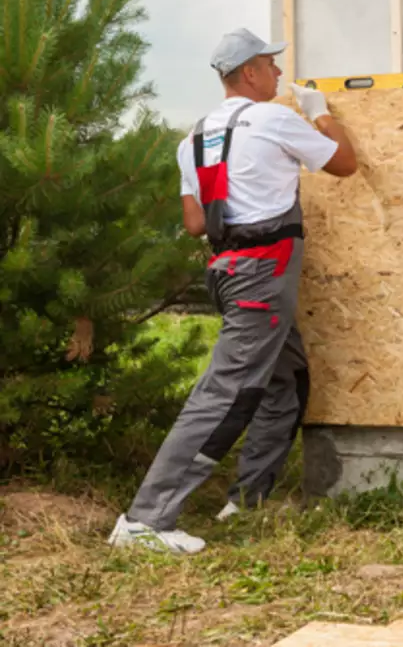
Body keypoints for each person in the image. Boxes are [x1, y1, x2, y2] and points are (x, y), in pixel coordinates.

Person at [108, 28, 357, 553]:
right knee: (225, 394)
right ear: (249, 72)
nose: (279, 74)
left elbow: (196, 223)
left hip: (228, 273)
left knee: (285, 382)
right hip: (262, 279)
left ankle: (247, 499)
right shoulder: (273, 118)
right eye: (271, 65)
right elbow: (343, 163)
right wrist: (320, 112)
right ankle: (146, 520)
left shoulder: (193, 138)